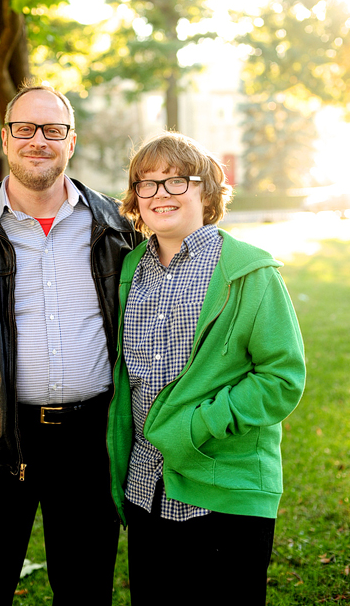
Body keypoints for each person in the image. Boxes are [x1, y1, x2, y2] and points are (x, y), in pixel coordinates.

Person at [0, 81, 141, 604]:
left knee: (85, 588)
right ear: (8, 137)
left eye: (53, 130)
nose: (39, 140)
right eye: (26, 128)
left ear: (71, 142)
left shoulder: (118, 229)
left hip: (90, 439)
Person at [106, 131, 305, 604]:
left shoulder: (250, 272)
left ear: (206, 191)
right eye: (147, 184)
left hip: (225, 491)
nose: (160, 194)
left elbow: (282, 379)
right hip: (145, 484)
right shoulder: (131, 270)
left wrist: (195, 426)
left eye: (177, 181)